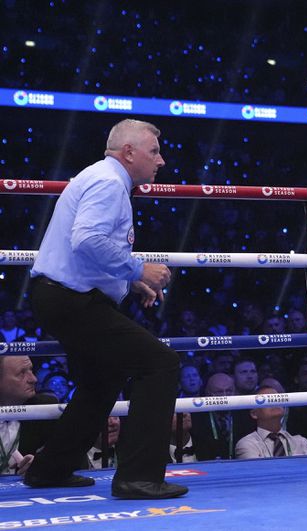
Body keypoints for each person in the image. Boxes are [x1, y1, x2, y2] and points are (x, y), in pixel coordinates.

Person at [24, 119, 187, 499]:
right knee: (160, 364)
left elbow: (83, 248)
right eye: (153, 152)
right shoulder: (109, 182)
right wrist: (138, 267)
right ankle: (139, 477)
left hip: (65, 296)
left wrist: (133, 282)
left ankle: (50, 469)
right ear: (129, 152)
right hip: (71, 300)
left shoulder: (105, 179)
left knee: (102, 382)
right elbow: (87, 239)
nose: (160, 161)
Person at [0, 356, 55, 476]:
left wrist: (41, 464)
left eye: (31, 370)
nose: (34, 379)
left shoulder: (45, 409)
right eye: (22, 373)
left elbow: (68, 459)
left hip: (25, 492)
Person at [235, 386, 307, 458]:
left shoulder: (301, 442)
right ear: (254, 414)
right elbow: (259, 473)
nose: (274, 402)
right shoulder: (247, 444)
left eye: (277, 398)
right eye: (268, 400)